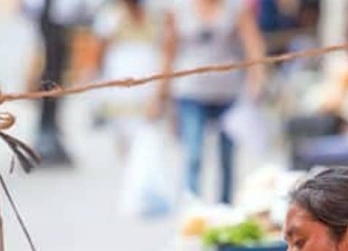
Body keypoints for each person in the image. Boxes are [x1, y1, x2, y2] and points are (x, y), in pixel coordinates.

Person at [151, 0, 267, 204]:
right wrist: (159, 94)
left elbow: (253, 44)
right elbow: (168, 52)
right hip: (191, 92)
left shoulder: (235, 8)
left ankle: (225, 209)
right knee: (193, 154)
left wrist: (257, 79)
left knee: (227, 159)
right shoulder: (178, 9)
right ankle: (191, 208)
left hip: (228, 92)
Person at [23, 0, 103, 166]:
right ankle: (46, 132)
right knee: (51, 75)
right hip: (52, 23)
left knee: (57, 76)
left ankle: (50, 129)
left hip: (59, 24)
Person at [91, 0, 160, 157]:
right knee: (125, 143)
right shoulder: (111, 16)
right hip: (121, 88)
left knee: (145, 142)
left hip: (147, 88)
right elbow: (99, 54)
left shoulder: (153, 15)